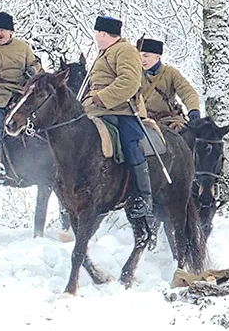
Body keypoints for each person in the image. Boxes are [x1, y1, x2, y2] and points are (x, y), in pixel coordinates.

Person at [83, 15, 154, 236]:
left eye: (98, 33)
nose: (96, 37)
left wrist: (102, 97)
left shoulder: (126, 51)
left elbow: (129, 82)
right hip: (96, 110)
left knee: (130, 143)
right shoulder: (104, 53)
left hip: (122, 110)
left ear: (104, 33)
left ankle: (144, 196)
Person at [0, 12, 43, 179]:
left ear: (11, 31)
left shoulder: (23, 48)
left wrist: (32, 71)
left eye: (3, 30)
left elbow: (36, 66)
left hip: (20, 96)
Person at [136, 38, 202, 131]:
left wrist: (193, 109)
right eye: (139, 56)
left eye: (146, 56)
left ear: (157, 57)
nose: (142, 59)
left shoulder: (171, 73)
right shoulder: (135, 73)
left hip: (167, 120)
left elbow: (187, 92)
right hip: (141, 119)